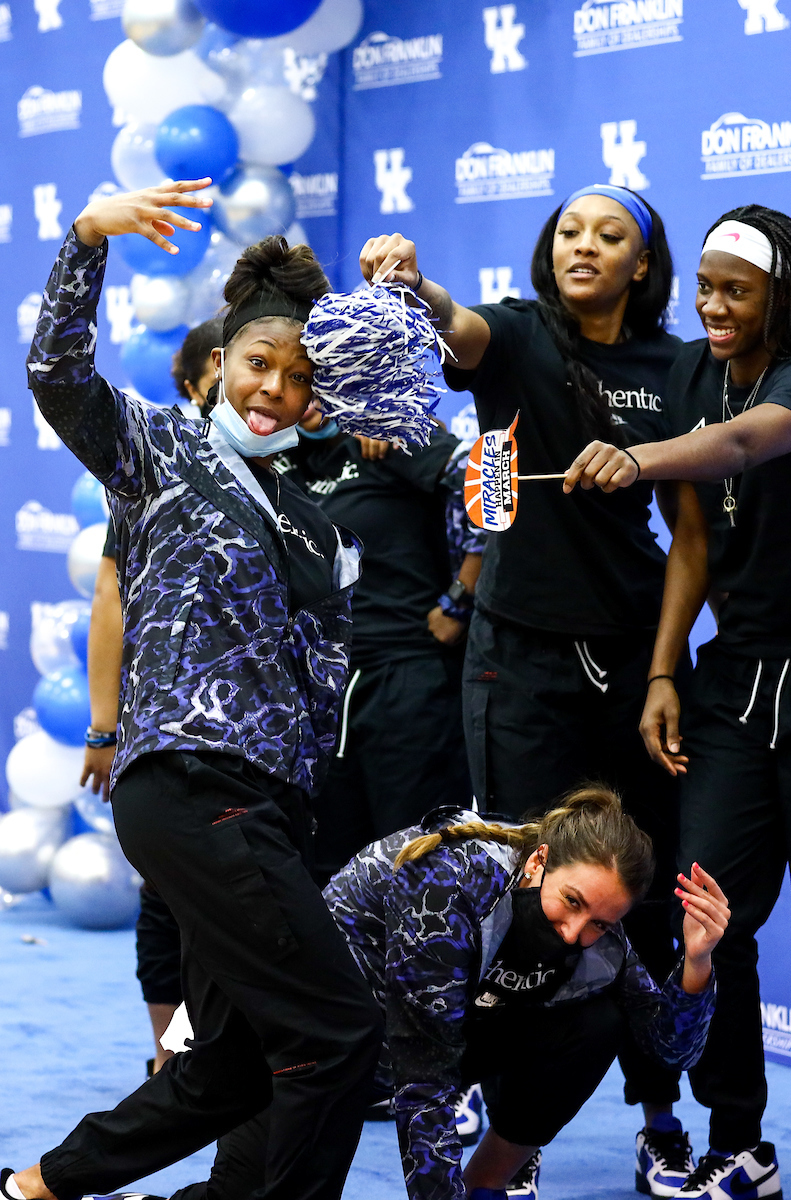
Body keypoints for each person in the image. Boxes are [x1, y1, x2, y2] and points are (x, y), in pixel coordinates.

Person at [4, 180, 382, 1200]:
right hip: (188, 784)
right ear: (219, 367)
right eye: (258, 364)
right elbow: (56, 372)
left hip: (272, 809)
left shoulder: (316, 514)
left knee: (243, 1059)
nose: (274, 389)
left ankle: (31, 1189)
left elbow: (322, 676)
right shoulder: (159, 450)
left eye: (297, 379)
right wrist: (88, 237)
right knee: (341, 1033)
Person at [565, 205, 791, 1200]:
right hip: (739, 678)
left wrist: (636, 458)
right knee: (707, 918)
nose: (714, 306)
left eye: (737, 291)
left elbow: (735, 448)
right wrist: (664, 671)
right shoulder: (692, 371)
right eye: (707, 288)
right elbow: (692, 540)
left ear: (782, 297)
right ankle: (741, 1147)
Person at [360, 185, 695, 1195]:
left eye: (610, 236)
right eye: (569, 233)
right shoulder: (512, 334)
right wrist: (412, 285)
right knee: (513, 893)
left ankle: (660, 1117)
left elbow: (693, 532)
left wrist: (665, 669)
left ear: (644, 263)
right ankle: (509, 1124)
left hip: (632, 659)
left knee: (641, 897)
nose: (583, 246)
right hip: (517, 659)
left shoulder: (678, 368)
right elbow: (455, 329)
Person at [166, 787, 728, 1200]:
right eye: (573, 903)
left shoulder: (603, 943)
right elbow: (424, 1077)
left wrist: (697, 960)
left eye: (603, 923)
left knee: (596, 1022)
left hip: (429, 1046)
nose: (576, 935)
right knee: (242, 1197)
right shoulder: (451, 879)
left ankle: (488, 1185)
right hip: (307, 1051)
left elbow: (669, 1051)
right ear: (538, 861)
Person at [79, 317, 223, 1079]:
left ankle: (216, 1057)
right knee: (168, 902)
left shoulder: (293, 469)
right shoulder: (152, 469)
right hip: (164, 734)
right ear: (195, 385)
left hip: (263, 745)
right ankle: (174, 1063)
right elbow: (112, 601)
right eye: (223, 377)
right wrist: (104, 730)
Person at [273, 410, 480, 886]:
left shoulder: (385, 434)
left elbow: (489, 476)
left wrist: (462, 596)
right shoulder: (274, 456)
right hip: (320, 692)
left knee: (417, 866)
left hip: (407, 680)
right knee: (328, 868)